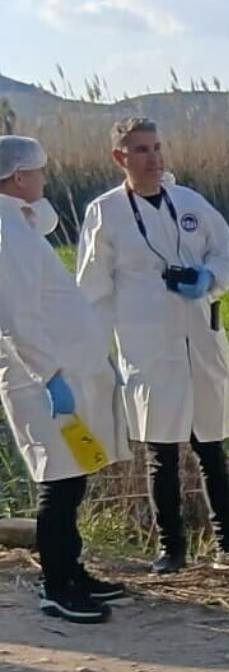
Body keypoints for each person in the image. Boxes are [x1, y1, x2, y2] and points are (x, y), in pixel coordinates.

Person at [76, 117, 229, 575]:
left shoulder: (190, 202)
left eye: (157, 147)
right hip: (148, 346)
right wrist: (93, 354)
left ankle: (228, 545)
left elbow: (228, 256)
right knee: (162, 450)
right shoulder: (106, 212)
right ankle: (171, 549)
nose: (153, 157)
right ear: (120, 157)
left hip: (200, 338)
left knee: (211, 445)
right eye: (140, 150)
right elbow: (92, 290)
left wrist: (208, 279)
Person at [0, 135, 131, 622]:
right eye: (39, 172)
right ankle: (55, 586)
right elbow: (16, 316)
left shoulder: (21, 225)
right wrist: (49, 374)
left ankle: (72, 570)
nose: (44, 180)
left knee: (73, 478)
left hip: (65, 371)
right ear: (19, 177)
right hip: (41, 379)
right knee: (58, 482)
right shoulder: (6, 232)